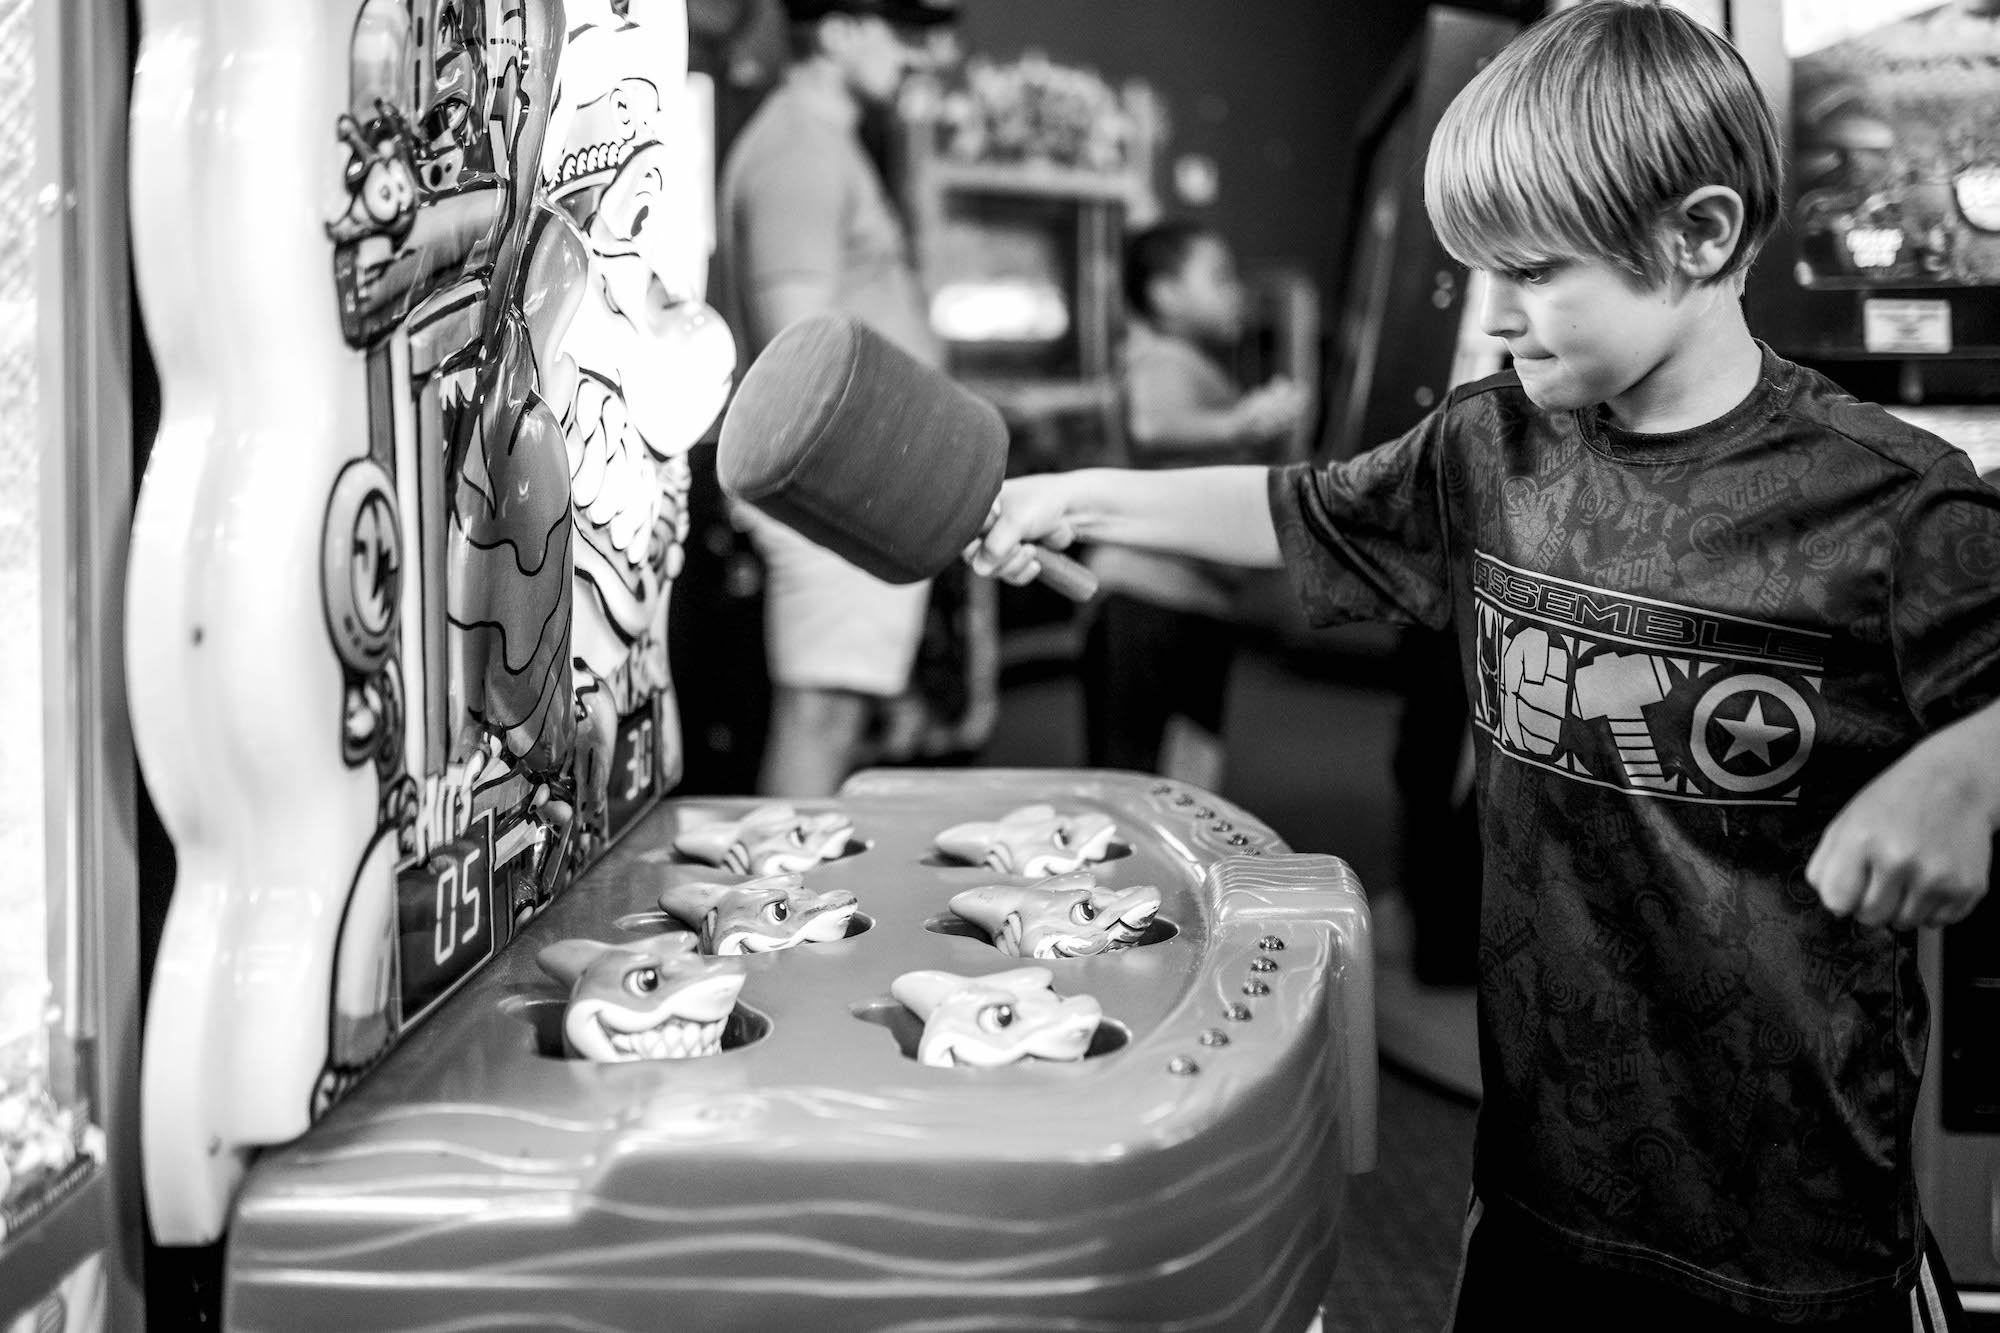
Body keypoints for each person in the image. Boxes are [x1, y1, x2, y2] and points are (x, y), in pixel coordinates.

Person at [967, 4, 2000, 1327]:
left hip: (1791, 1223)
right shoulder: (1491, 444)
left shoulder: (1888, 500)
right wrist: (1085, 496)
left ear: (1699, 236)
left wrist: (1966, 773)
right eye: (1477, 271)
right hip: (1542, 1187)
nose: (1492, 314)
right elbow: (1304, 507)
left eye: (1532, 270)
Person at [715, 0, 956, 797]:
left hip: (854, 486)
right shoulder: (800, 153)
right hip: (833, 490)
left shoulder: (826, 142)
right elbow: (802, 363)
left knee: (837, 719)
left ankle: (792, 904)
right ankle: (779, 915)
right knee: (820, 718)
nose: (923, 53)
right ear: (842, 30)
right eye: (905, 30)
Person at [1084, 221, 1306, 783]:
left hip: (1192, 603)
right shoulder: (1162, 359)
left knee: (1184, 770)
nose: (1237, 292)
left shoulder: (1195, 366)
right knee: (1134, 778)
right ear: (1164, 295)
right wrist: (1243, 422)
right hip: (1150, 600)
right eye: (1220, 277)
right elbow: (1154, 425)